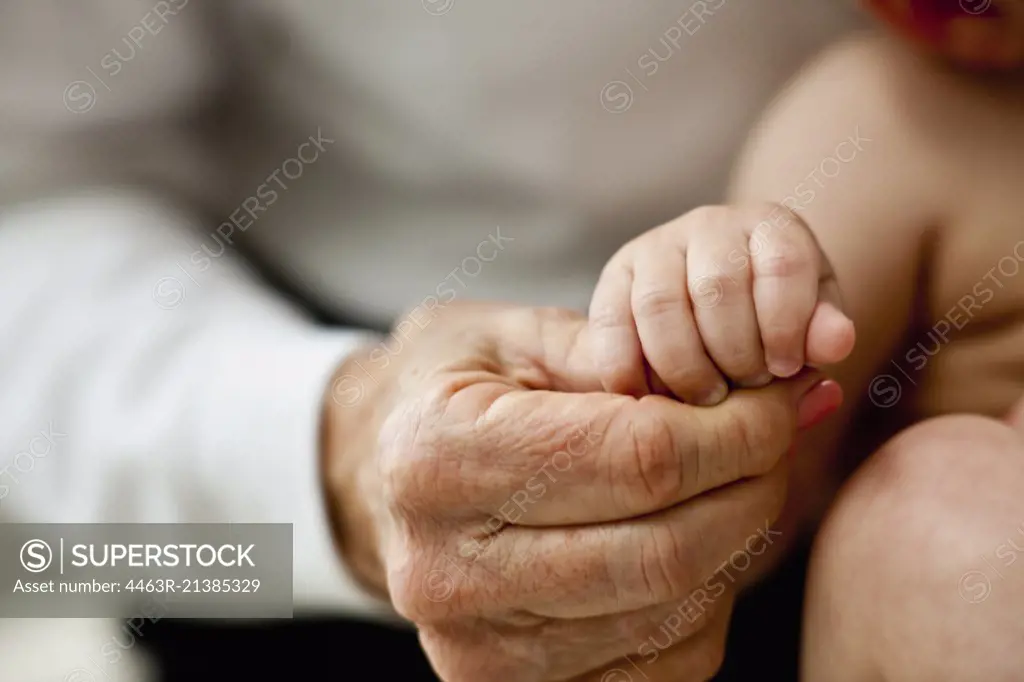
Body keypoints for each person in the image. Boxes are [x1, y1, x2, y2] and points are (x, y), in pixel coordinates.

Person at [0, 3, 1020, 682]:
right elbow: (724, 482)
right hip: (393, 448)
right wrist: (709, 297)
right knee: (937, 527)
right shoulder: (893, 121)